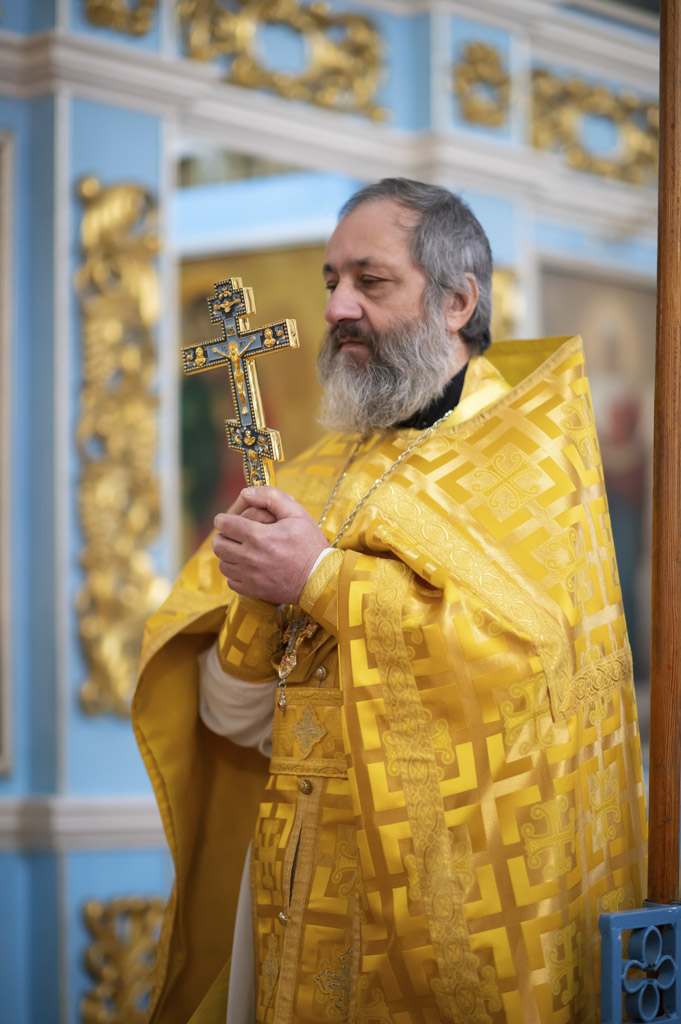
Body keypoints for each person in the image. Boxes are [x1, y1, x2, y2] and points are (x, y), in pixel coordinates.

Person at [133, 178, 647, 1024]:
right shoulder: (312, 474)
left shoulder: (529, 460)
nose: (338, 306)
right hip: (296, 880)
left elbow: (530, 675)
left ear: (457, 301)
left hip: (442, 907)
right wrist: (259, 602)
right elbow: (232, 717)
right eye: (331, 279)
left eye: (370, 281)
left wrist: (319, 579)